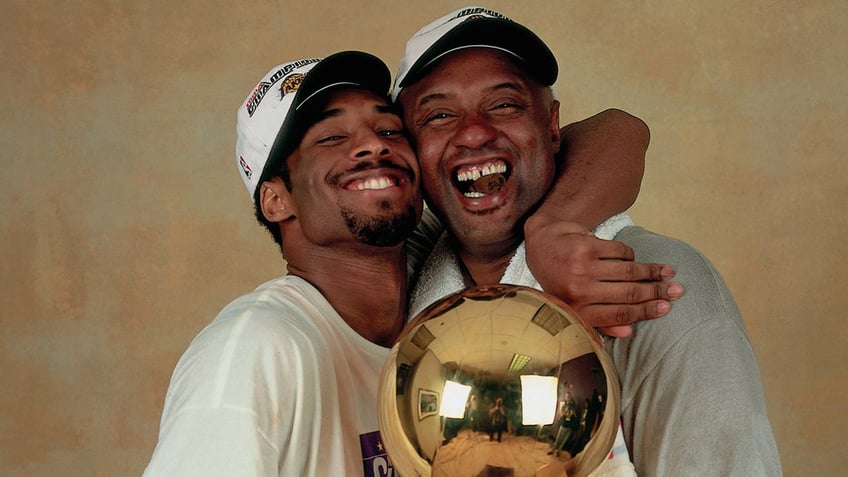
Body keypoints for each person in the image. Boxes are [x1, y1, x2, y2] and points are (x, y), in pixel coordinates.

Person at [144, 48, 664, 476]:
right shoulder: (257, 348)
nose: (372, 146)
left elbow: (609, 132)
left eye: (390, 131)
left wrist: (552, 230)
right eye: (332, 138)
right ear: (277, 199)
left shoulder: (432, 285)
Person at [394, 6, 782, 476]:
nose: (474, 131)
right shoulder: (401, 273)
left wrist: (550, 233)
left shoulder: (654, 287)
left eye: (505, 104)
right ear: (409, 151)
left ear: (552, 126)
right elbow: (617, 130)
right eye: (438, 115)